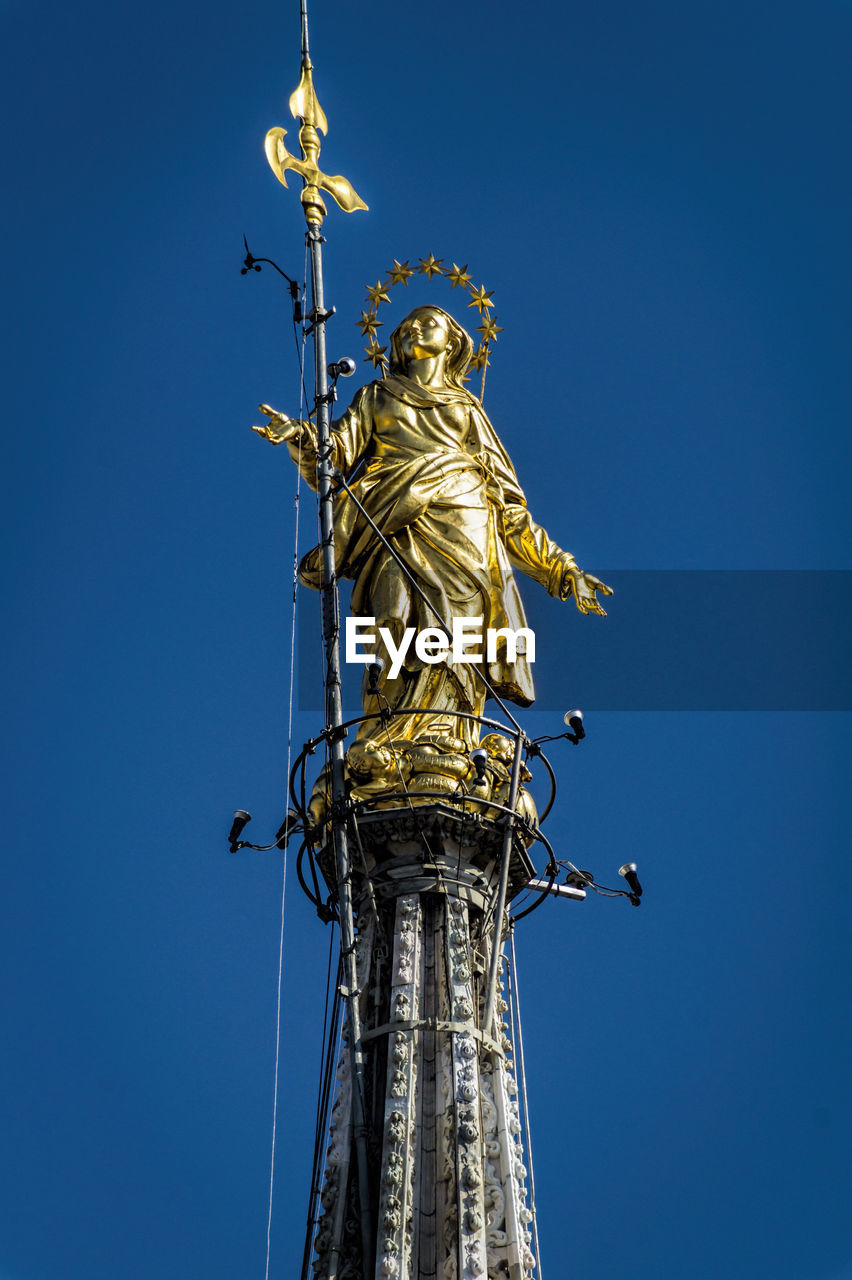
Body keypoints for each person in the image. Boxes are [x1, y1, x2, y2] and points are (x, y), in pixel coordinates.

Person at [252, 304, 611, 758]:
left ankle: (449, 740)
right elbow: (335, 455)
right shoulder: (377, 395)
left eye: (427, 323)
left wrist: (562, 570)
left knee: (459, 638)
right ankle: (388, 730)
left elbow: (512, 509)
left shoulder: (467, 409)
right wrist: (301, 436)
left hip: (468, 530)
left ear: (453, 341)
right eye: (405, 326)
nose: (412, 329)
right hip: (393, 522)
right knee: (392, 621)